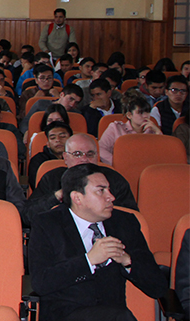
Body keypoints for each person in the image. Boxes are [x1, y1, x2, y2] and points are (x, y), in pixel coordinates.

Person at [29, 163, 167, 321]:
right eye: (101, 191)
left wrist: (128, 262)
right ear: (77, 198)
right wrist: (89, 260)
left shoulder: (124, 223)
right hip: (65, 315)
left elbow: (158, 287)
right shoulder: (47, 224)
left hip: (114, 315)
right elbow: (41, 282)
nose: (111, 197)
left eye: (109, 189)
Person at [23, 134, 136, 227]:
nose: (84, 159)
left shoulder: (114, 179)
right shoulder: (52, 178)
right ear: (65, 158)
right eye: (77, 154)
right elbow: (27, 217)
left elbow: (131, 219)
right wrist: (57, 196)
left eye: (90, 154)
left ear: (97, 157)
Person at [98, 90, 162, 164]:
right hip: (121, 169)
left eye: (147, 112)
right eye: (140, 113)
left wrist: (158, 132)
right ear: (129, 115)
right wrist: (117, 163)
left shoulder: (152, 131)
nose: (145, 116)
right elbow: (101, 149)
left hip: (147, 169)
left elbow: (162, 154)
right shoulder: (116, 128)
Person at [27, 122, 73, 191]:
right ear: (48, 144)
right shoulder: (38, 160)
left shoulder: (79, 158)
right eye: (53, 138)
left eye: (63, 136)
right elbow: (37, 187)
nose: (58, 140)